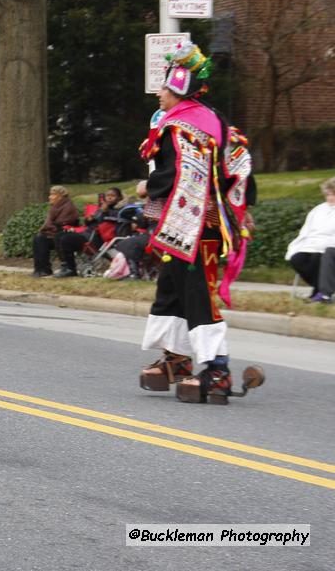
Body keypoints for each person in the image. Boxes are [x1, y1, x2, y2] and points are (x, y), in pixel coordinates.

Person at [138, 41, 263, 405]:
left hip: (196, 228)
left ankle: (217, 369)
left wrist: (148, 186)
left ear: (178, 87)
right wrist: (242, 205)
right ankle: (176, 360)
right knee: (173, 289)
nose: (159, 93)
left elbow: (177, 173)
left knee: (197, 293)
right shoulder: (213, 120)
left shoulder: (181, 126)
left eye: (163, 86)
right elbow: (239, 162)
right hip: (187, 226)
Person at [53, 187, 124, 278]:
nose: (109, 198)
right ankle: (65, 266)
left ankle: (71, 269)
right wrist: (89, 219)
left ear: (119, 198)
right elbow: (90, 223)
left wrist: (103, 212)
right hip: (87, 235)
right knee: (59, 235)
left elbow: (111, 219)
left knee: (66, 239)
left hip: (98, 240)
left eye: (113, 196)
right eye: (107, 195)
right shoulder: (101, 208)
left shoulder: (119, 211)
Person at [286, 176, 335, 303]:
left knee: (318, 257)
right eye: (328, 195)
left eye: (333, 195)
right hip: (313, 244)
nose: (330, 198)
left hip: (331, 247)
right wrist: (299, 245)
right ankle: (319, 288)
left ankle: (321, 292)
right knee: (297, 259)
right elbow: (306, 230)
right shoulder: (318, 210)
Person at [31, 185, 79, 277]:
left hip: (66, 236)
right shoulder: (54, 207)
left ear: (61, 196)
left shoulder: (68, 207)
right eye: (50, 194)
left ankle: (63, 268)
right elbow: (50, 224)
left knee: (44, 238)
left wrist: (49, 228)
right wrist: (48, 229)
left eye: (53, 195)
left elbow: (61, 224)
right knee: (39, 238)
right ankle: (42, 269)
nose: (50, 197)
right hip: (54, 234)